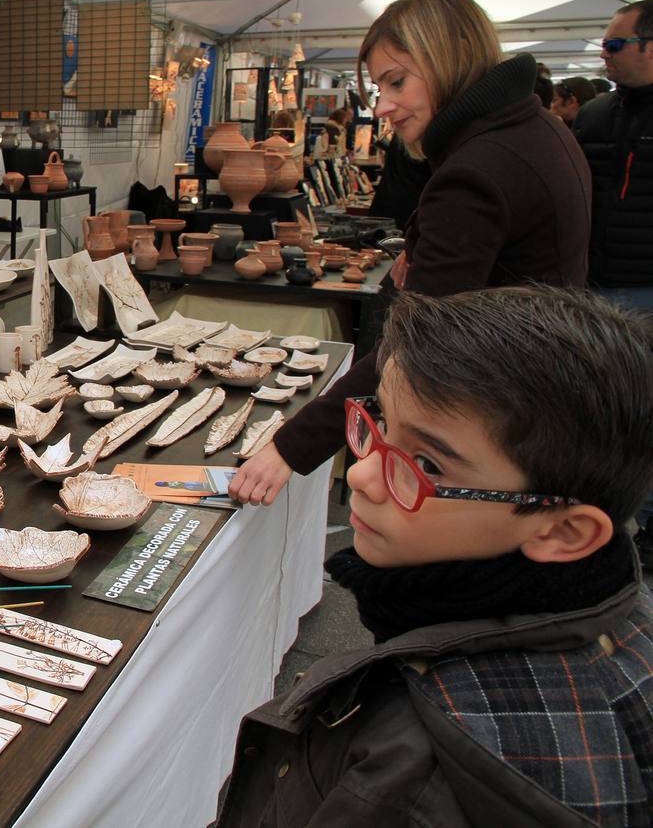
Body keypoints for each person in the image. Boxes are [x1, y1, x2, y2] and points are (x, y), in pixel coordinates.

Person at [214, 285, 653, 826]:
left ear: (564, 532)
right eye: (380, 426)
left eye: (428, 464)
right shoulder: (611, 611)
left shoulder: (413, 774)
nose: (362, 475)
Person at [230, 0, 591, 507]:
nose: (384, 107)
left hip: (499, 414)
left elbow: (416, 347)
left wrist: (289, 447)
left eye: (396, 82)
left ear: (447, 58)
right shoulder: (536, 129)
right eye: (380, 88)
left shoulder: (476, 169)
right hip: (543, 385)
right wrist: (424, 244)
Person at [572, 0, 653, 546]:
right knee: (597, 407)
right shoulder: (596, 115)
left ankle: (643, 522)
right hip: (594, 286)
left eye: (616, 43)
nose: (606, 51)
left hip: (647, 286)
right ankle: (601, 513)